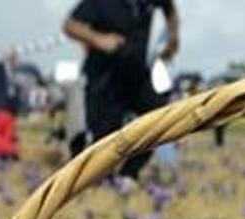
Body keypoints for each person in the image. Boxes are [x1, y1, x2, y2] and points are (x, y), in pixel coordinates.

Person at [63, 0, 180, 180]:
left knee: (158, 119)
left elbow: (169, 9)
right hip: (104, 76)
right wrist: (99, 39)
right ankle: (94, 175)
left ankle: (129, 173)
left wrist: (173, 38)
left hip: (137, 74)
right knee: (104, 136)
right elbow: (70, 25)